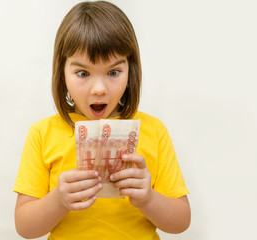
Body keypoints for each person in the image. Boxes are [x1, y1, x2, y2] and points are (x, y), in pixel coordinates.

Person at [13, 1, 191, 239]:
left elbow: (181, 222)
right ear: (62, 73)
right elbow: (25, 228)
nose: (99, 89)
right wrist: (58, 199)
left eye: (113, 72)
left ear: (131, 70)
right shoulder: (42, 133)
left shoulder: (154, 130)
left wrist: (149, 198)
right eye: (83, 73)